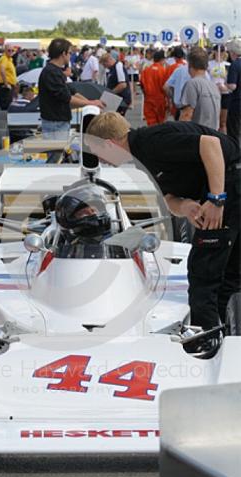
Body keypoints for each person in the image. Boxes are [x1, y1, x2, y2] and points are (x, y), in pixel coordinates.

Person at [86, 112, 240, 349]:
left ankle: (205, 345)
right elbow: (167, 198)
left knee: (203, 274)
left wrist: (217, 198)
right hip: (229, 188)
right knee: (229, 274)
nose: (101, 161)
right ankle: (227, 340)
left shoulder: (151, 141)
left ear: (109, 144)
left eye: (99, 153)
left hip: (231, 186)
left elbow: (211, 144)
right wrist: (186, 206)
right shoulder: (141, 158)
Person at [38, 38, 104, 139]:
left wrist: (91, 102)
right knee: (57, 154)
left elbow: (71, 92)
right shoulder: (52, 72)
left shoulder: (56, 71)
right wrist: (92, 103)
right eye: (69, 52)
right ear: (63, 53)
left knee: (61, 152)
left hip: (58, 123)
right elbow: (67, 98)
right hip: (55, 124)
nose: (70, 55)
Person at [180, 48, 221, 130]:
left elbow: (187, 115)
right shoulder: (213, 86)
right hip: (213, 135)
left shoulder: (192, 84)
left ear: (190, 65)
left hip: (198, 136)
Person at [140, 50, 168, 125]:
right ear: (162, 60)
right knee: (161, 123)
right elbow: (165, 87)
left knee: (151, 123)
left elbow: (141, 85)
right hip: (160, 100)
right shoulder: (163, 71)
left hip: (148, 99)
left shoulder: (146, 70)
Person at [208, 45, 230, 133]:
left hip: (225, 95)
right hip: (212, 94)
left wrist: (225, 86)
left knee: (223, 122)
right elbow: (206, 78)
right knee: (213, 121)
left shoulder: (228, 65)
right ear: (214, 52)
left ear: (225, 52)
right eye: (217, 51)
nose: (219, 53)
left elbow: (231, 81)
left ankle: (224, 143)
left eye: (222, 51)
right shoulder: (209, 64)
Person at [226, 38, 241, 144]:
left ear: (233, 52)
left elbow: (232, 86)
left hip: (237, 103)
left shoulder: (235, 65)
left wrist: (224, 84)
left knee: (234, 132)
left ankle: (236, 155)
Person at [0, 41, 17, 110]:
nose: (11, 52)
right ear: (5, 50)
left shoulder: (9, 59)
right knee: (6, 107)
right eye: (9, 50)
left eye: (12, 50)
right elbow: (2, 70)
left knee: (8, 106)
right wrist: (6, 84)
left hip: (8, 86)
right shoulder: (4, 58)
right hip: (5, 87)